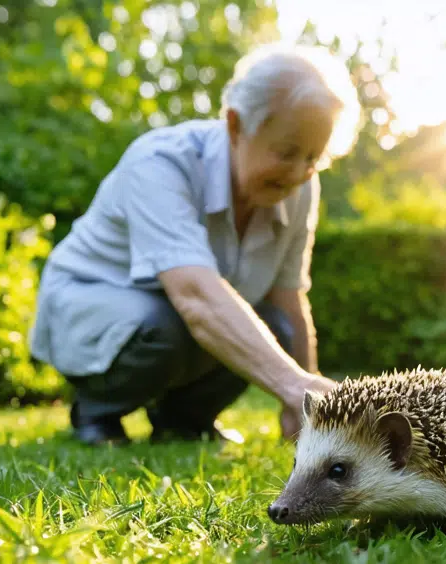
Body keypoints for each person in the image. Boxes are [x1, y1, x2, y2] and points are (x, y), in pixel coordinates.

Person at [28, 44, 361, 446]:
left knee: (273, 324)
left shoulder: (301, 187)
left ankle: (183, 420)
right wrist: (293, 384)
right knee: (165, 325)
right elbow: (194, 296)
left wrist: (305, 403)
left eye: (313, 157)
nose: (299, 172)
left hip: (178, 316)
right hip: (91, 307)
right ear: (236, 125)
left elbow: (289, 298)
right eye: (287, 152)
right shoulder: (160, 162)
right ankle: (96, 410)